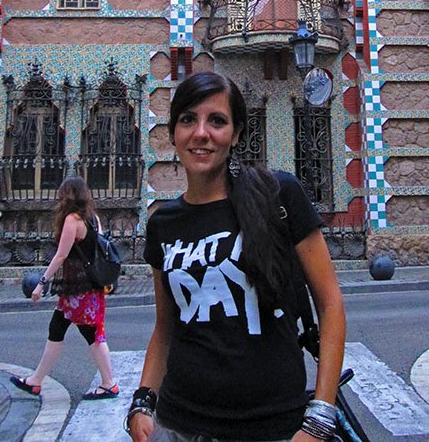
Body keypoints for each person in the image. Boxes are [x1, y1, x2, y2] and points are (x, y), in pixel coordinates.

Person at [126, 71, 346, 442]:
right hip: (181, 424)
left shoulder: (279, 196)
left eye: (217, 121)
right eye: (188, 120)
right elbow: (166, 328)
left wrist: (320, 419)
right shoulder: (163, 223)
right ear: (173, 134)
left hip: (272, 425)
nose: (201, 133)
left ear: (237, 133)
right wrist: (142, 404)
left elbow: (331, 305)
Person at [10, 175, 119, 400]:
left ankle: (109, 384)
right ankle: (36, 381)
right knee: (59, 329)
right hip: (85, 287)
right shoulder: (93, 219)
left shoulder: (72, 220)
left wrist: (41, 283)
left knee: (92, 334)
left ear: (67, 195)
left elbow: (61, 255)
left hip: (79, 289)